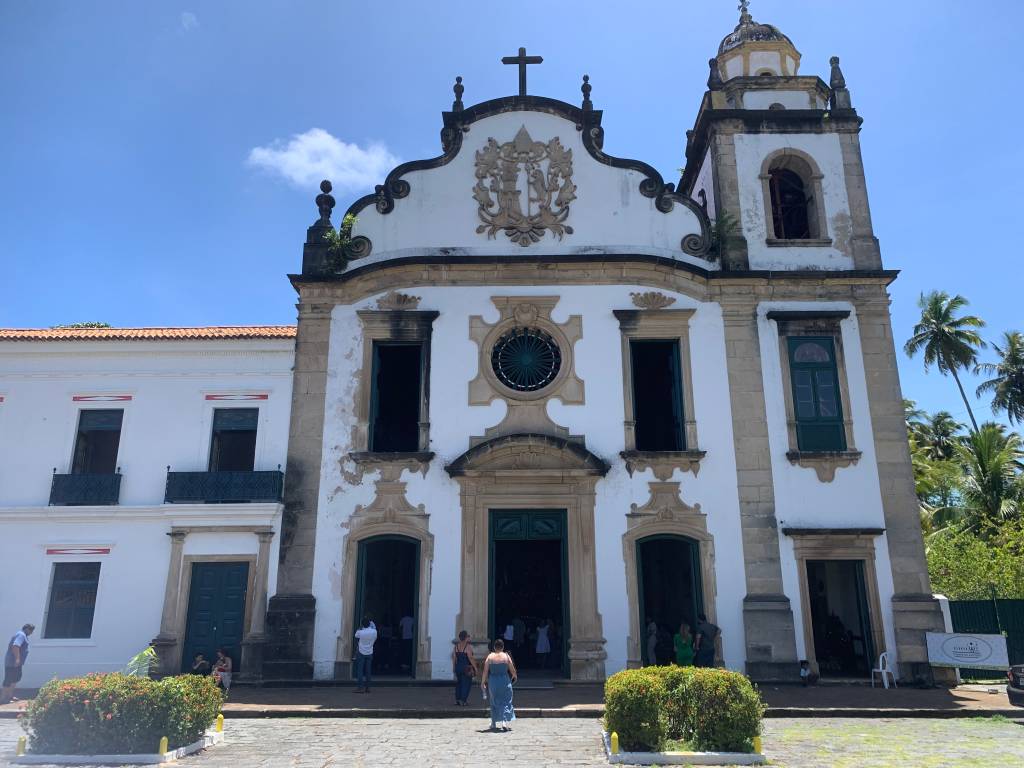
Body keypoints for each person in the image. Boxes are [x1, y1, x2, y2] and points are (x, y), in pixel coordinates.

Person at [481, 638, 517, 732]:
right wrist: (514, 676)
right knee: (506, 701)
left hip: (493, 681)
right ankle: (504, 722)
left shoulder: (490, 657)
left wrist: (483, 682)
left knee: (494, 701)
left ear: (494, 647)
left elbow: (485, 671)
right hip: (504, 680)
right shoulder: (506, 656)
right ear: (503, 647)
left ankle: (493, 722)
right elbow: (512, 670)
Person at [1, 623, 34, 705]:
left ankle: (10, 696)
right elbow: (15, 646)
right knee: (8, 679)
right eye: (31, 630)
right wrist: (17, 659)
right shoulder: (21, 635)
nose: (31, 632)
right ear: (27, 629)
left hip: (17, 664)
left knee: (16, 678)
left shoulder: (23, 635)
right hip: (13, 663)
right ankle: (3, 698)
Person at [451, 630, 478, 706]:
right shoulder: (468, 647)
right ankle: (463, 700)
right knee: (466, 684)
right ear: (466, 638)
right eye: (468, 636)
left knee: (459, 684)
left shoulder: (456, 647)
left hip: (458, 667)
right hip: (466, 668)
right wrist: (475, 668)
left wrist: (454, 667)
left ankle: (457, 700)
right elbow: (470, 658)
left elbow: (454, 658)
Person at [354, 616, 377, 693]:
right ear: (370, 623)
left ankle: (360, 688)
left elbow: (356, 635)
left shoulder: (360, 632)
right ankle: (368, 688)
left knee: (360, 670)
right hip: (370, 652)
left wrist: (360, 627)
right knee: (368, 670)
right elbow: (375, 639)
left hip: (361, 652)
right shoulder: (374, 632)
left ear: (362, 624)